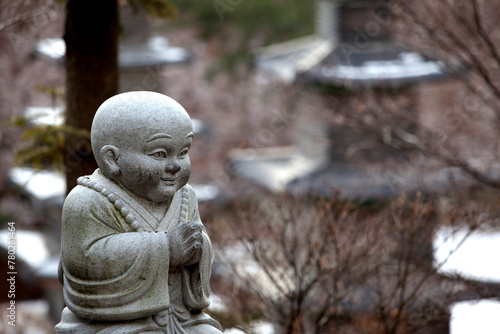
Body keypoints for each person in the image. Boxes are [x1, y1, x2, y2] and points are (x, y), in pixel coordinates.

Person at [55, 91, 223, 334]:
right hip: (117, 323)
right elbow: (84, 260)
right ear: (112, 159)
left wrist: (199, 248)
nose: (175, 165)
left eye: (183, 152)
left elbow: (200, 251)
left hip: (181, 317)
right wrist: (166, 248)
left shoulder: (185, 196)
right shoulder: (87, 201)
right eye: (159, 154)